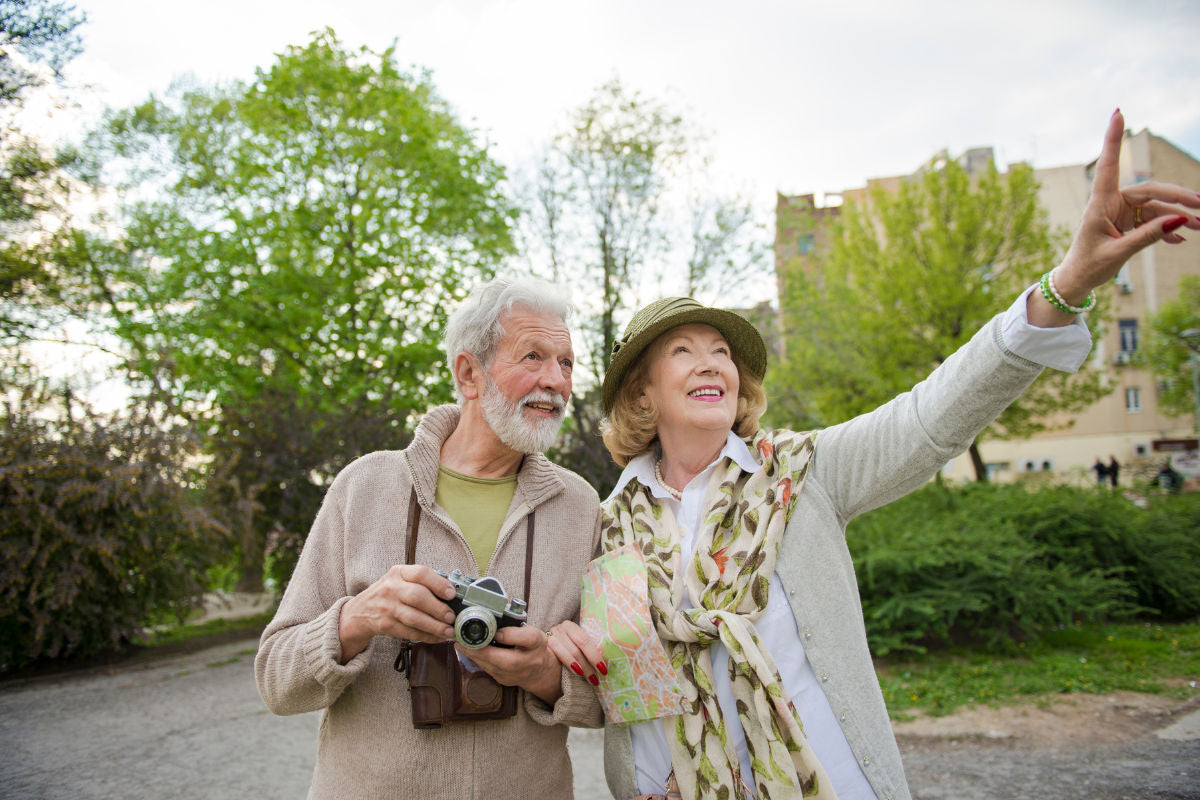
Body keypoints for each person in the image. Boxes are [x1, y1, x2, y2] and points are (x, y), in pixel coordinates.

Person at [546, 109, 1200, 800]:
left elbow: (930, 416)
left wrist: (1062, 285)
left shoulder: (803, 474)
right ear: (643, 395)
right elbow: (634, 689)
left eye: (723, 352)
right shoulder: (611, 524)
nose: (714, 364)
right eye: (684, 351)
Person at [255, 276, 603, 798]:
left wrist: (546, 676)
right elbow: (276, 681)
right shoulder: (365, 486)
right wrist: (358, 618)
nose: (555, 379)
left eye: (567, 362)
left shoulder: (580, 507)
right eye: (532, 356)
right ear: (469, 373)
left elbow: (616, 695)